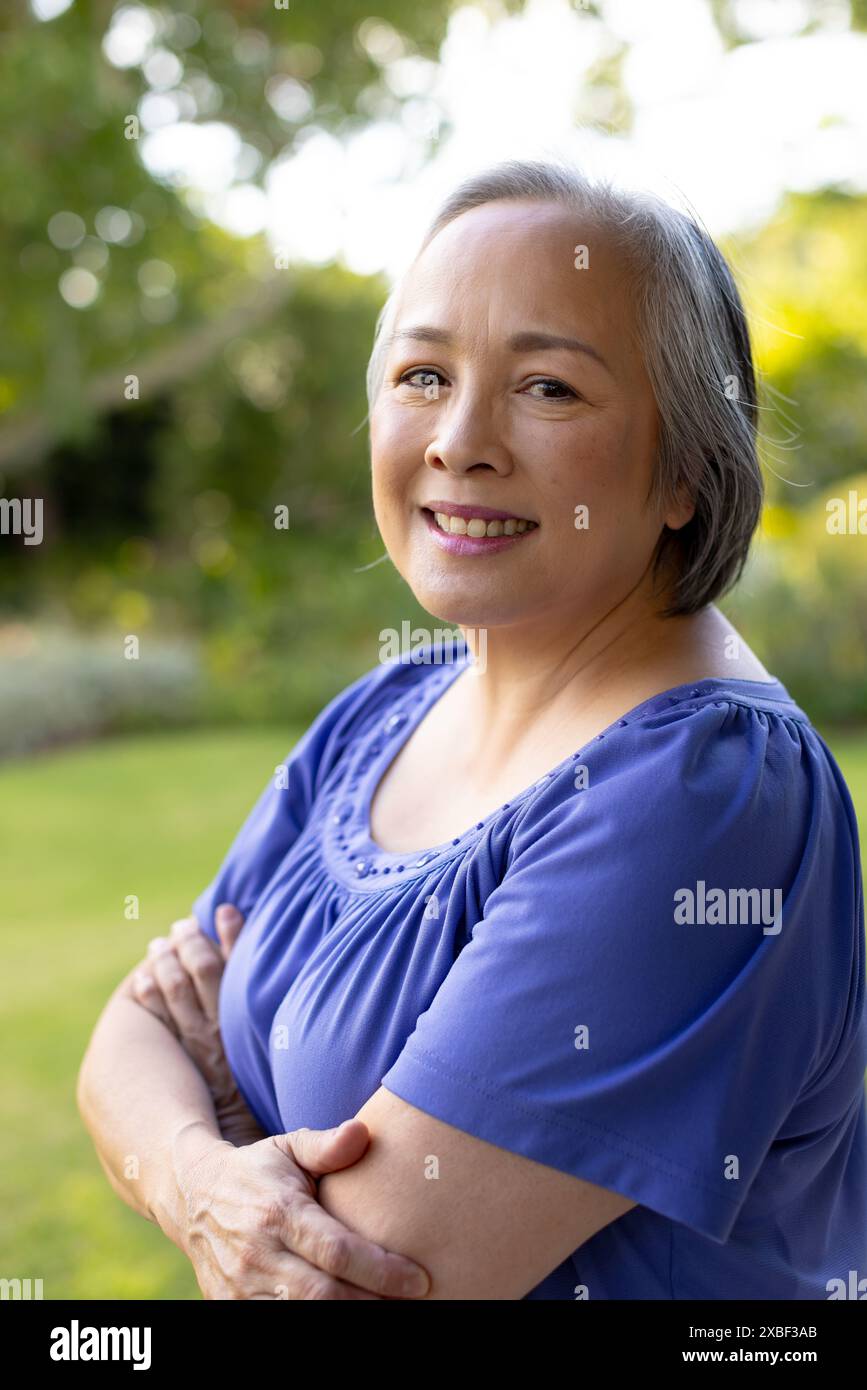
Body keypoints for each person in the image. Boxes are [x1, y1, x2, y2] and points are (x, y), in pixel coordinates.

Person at [77, 158, 867, 1300]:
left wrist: (228, 1105)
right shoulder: (384, 711)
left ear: (688, 466)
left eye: (547, 387)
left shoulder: (704, 795)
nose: (459, 439)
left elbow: (365, 1282)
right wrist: (201, 1178)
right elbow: (129, 1032)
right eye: (421, 373)